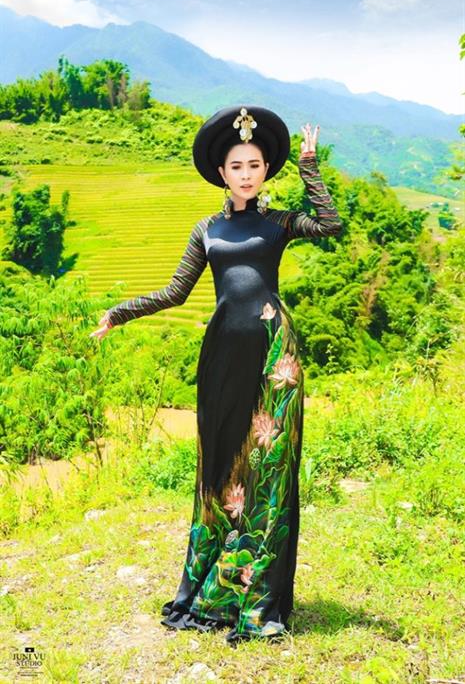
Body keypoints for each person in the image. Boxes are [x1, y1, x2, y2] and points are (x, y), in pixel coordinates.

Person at [90, 105, 343, 645]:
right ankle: (217, 586)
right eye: (237, 166)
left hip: (275, 359)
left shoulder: (279, 223)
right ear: (222, 173)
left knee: (269, 473)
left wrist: (309, 166)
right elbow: (175, 292)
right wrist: (120, 312)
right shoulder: (206, 229)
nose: (246, 174)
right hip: (223, 356)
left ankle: (259, 598)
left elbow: (330, 224)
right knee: (220, 471)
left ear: (266, 169)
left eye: (254, 164)